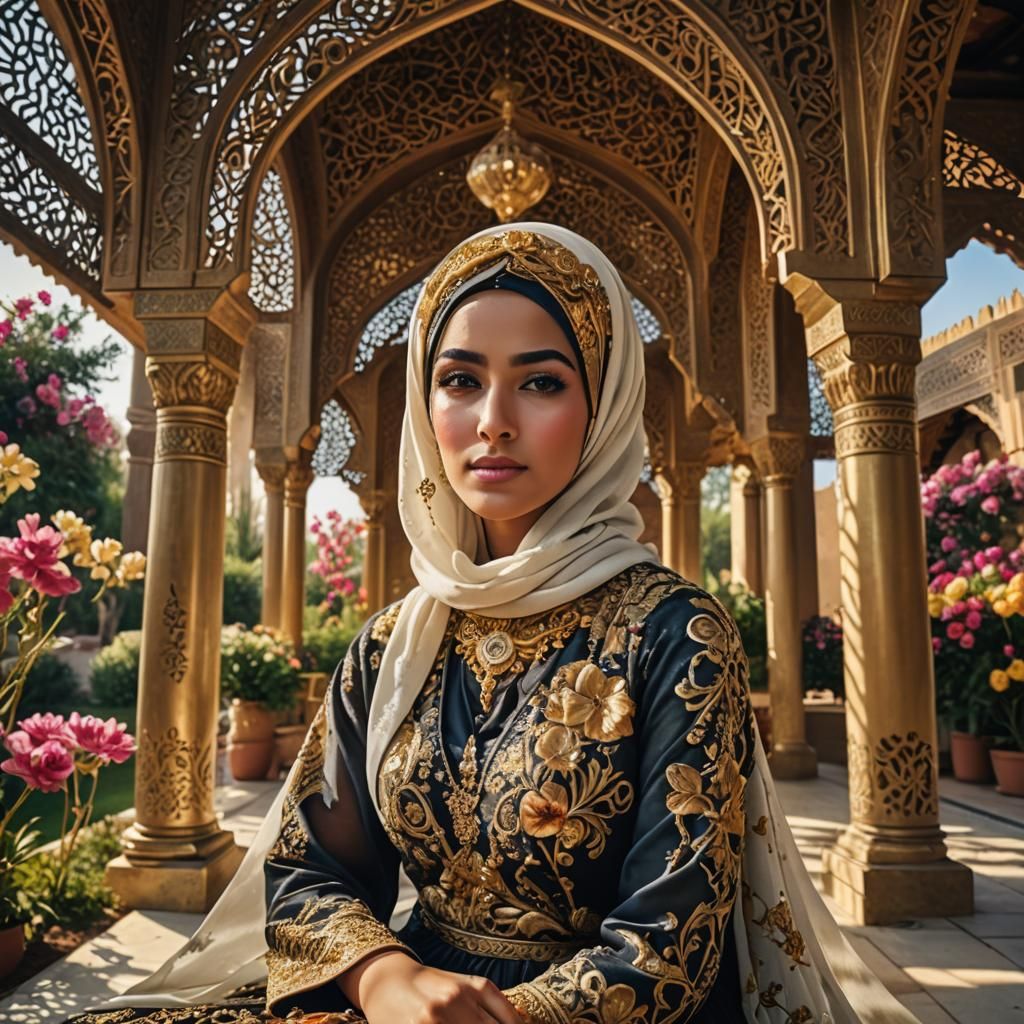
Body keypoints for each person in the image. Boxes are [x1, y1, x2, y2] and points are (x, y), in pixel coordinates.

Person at [75, 225, 917, 1024]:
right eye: (460, 379)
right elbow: (310, 867)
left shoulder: (673, 635)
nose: (493, 421)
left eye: (542, 381)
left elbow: (670, 949)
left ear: (604, 405)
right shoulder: (392, 643)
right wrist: (385, 975)